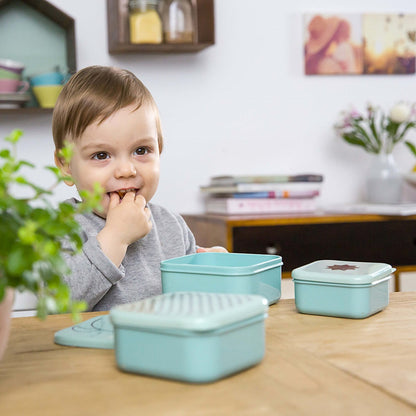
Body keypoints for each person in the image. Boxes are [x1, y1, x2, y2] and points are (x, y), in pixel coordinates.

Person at [52, 65, 225, 311]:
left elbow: (190, 300)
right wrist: (116, 237)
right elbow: (60, 303)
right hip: (93, 350)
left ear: (159, 150)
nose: (126, 170)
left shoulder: (171, 225)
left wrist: (210, 268)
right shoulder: (62, 227)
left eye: (141, 151)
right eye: (101, 155)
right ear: (66, 165)